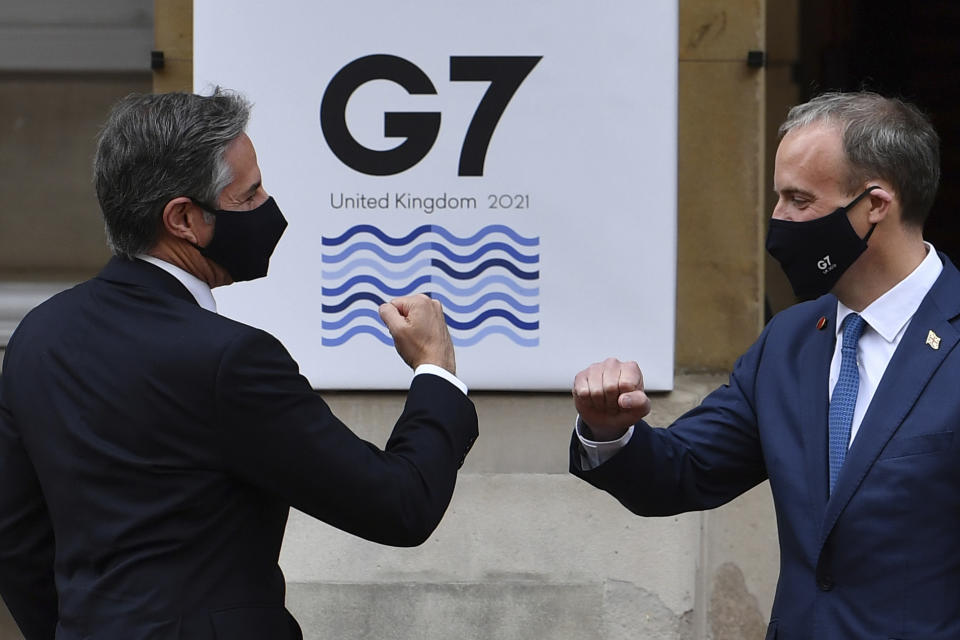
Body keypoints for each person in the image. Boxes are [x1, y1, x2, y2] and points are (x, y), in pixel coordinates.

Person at [0, 89, 478, 640]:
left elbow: (16, 539)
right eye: (249, 197)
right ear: (182, 218)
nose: (269, 207)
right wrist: (435, 369)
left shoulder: (37, 337)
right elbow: (399, 504)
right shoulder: (230, 359)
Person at [569, 91, 957, 639]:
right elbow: (684, 471)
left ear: (875, 205)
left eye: (799, 200)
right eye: (778, 197)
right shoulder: (789, 343)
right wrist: (609, 430)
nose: (778, 220)